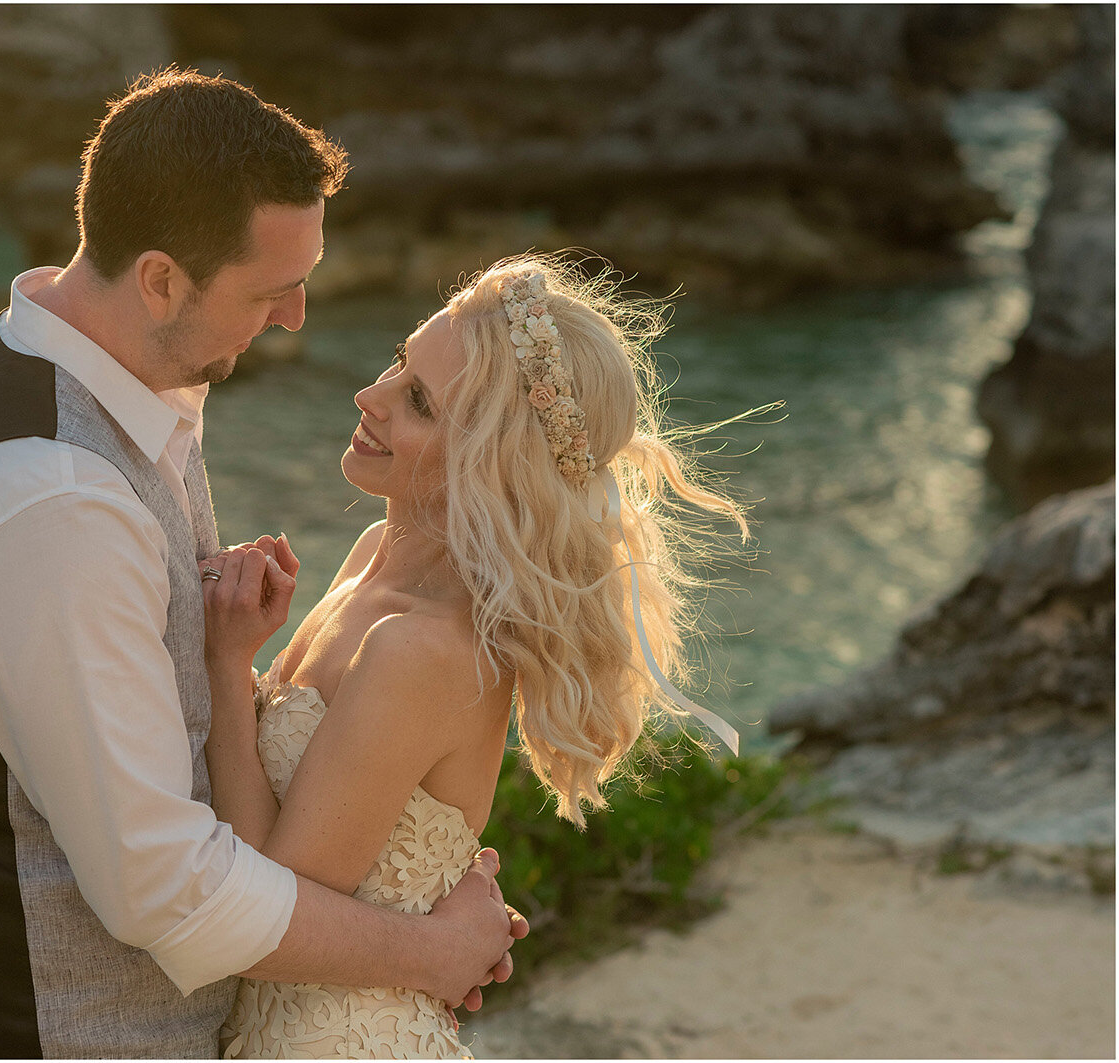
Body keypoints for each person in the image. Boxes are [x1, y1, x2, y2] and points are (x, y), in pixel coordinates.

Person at [0, 68, 523, 1059]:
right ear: (161, 278)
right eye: (270, 291)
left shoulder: (116, 373)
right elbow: (161, 883)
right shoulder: (50, 500)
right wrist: (423, 952)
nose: (298, 317)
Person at [204, 254, 752, 1057]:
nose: (371, 397)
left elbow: (264, 909)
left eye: (418, 400)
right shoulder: (368, 555)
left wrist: (226, 667)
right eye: (399, 362)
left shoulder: (425, 648)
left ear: (491, 462)